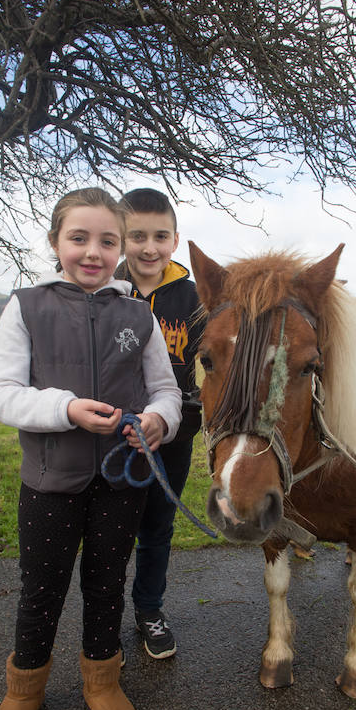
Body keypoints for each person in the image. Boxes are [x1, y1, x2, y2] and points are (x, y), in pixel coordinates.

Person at [0, 187, 182, 710]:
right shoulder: (26, 306)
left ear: (119, 250)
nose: (93, 252)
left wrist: (156, 422)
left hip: (121, 484)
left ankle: (102, 681)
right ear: (55, 242)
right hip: (49, 483)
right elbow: (0, 396)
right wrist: (65, 409)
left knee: (105, 583)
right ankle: (24, 689)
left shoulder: (137, 314)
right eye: (79, 238)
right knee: (40, 590)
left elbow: (166, 392)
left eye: (107, 241)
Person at [115, 188, 204, 660]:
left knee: (157, 526)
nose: (150, 247)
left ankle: (149, 609)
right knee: (110, 527)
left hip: (174, 432)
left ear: (174, 239)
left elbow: (214, 358)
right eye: (137, 236)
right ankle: (105, 616)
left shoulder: (192, 296)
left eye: (160, 236)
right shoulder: (105, 290)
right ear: (121, 237)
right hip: (111, 434)